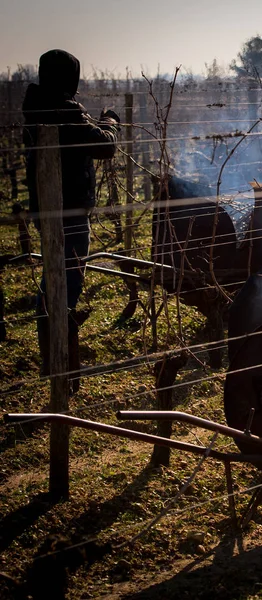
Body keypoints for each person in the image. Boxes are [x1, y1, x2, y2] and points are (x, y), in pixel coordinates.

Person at [22, 49, 119, 391]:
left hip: (48, 209)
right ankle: (61, 366)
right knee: (65, 284)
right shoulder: (62, 109)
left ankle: (54, 361)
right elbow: (104, 146)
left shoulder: (36, 104)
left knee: (54, 281)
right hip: (70, 212)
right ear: (70, 77)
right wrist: (109, 123)